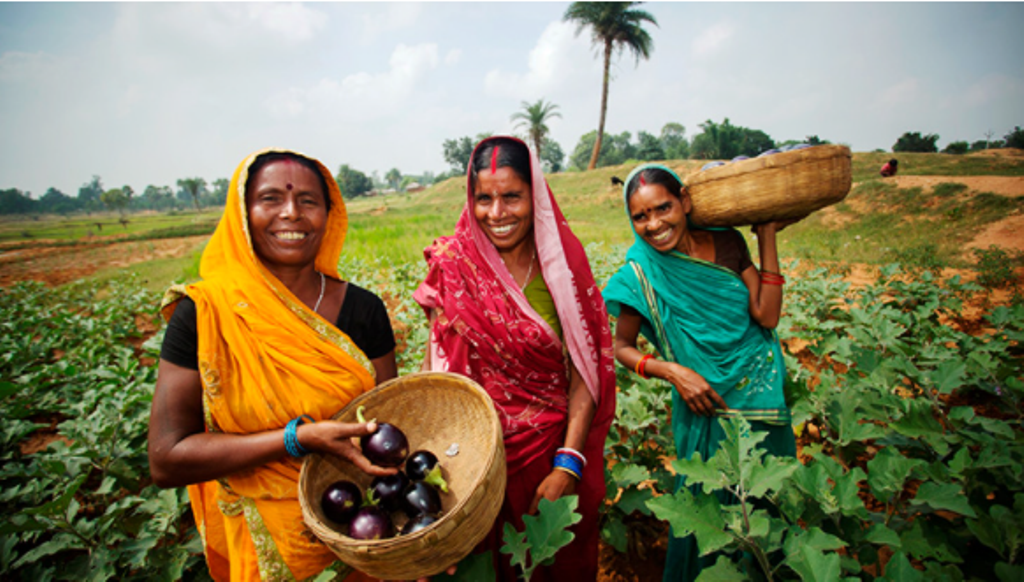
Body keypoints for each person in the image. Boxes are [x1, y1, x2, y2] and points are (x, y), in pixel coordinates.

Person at [148, 148, 400, 581]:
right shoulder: (206, 313)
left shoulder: (364, 310)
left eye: (307, 201)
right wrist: (297, 439)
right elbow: (167, 459)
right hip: (266, 544)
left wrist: (415, 535)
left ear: (328, 214)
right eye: (270, 199)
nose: (291, 213)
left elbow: (388, 436)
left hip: (360, 535)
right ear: (243, 213)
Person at [413, 136, 617, 581]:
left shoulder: (562, 268)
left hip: (548, 458)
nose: (497, 213)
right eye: (483, 199)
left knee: (548, 563)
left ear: (535, 196)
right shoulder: (454, 267)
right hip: (471, 465)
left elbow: (585, 373)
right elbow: (438, 373)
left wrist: (569, 462)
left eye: (511, 197)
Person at [601, 164, 797, 582]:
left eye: (663, 208)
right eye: (640, 216)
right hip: (703, 404)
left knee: (769, 507)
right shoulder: (640, 274)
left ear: (685, 202)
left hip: (759, 394)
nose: (653, 225)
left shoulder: (727, 243)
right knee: (708, 520)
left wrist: (766, 237)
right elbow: (620, 347)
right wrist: (673, 372)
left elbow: (767, 314)